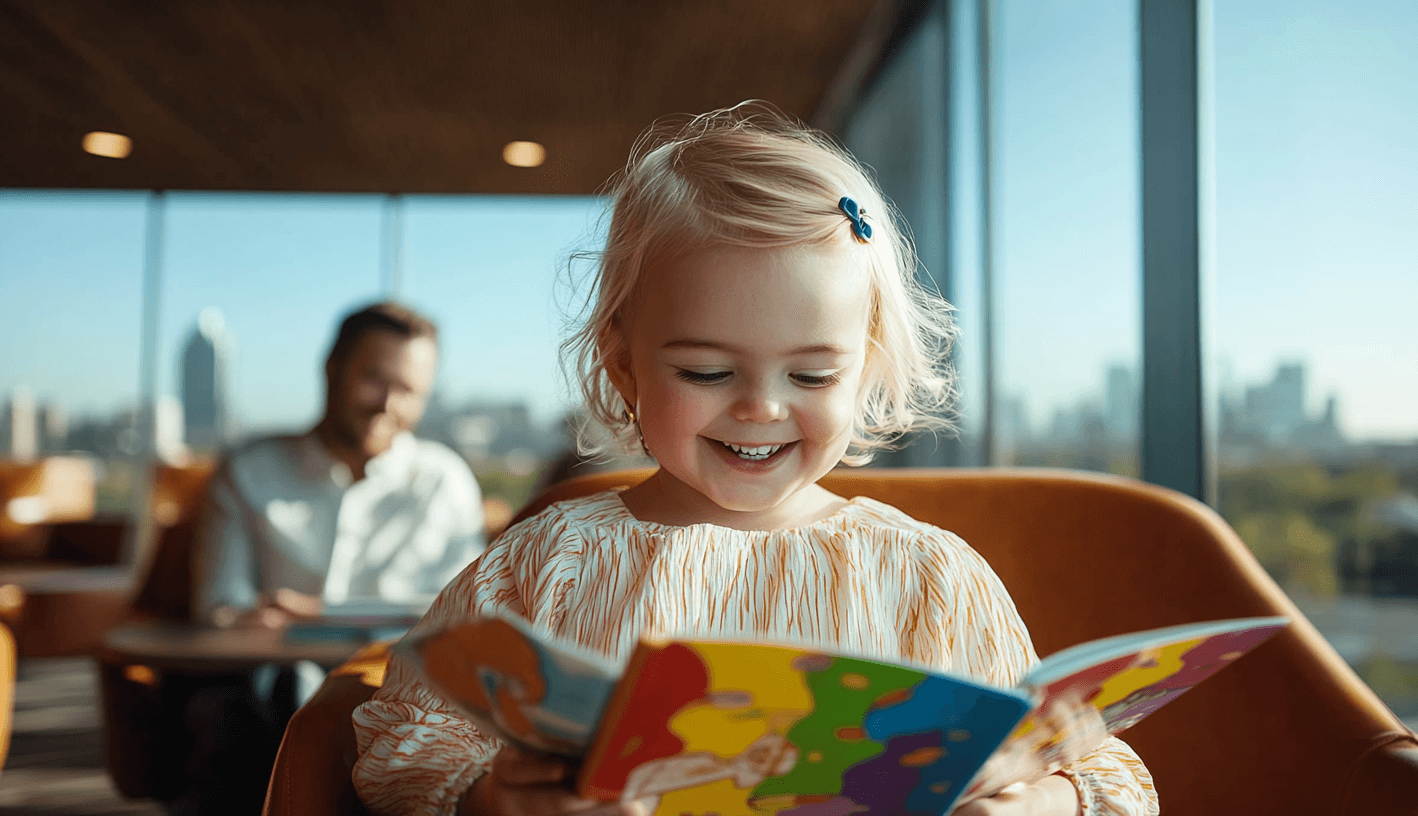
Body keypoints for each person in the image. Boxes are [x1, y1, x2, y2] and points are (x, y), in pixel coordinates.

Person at [352, 105, 1159, 816]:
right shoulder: (549, 558)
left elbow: (1105, 771)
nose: (762, 409)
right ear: (625, 364)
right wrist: (490, 798)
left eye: (812, 375)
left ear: (868, 367)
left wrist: (1044, 801)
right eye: (706, 372)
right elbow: (397, 739)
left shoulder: (928, 576)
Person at [176, 301, 486, 816]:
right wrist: (244, 619)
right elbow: (218, 606)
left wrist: (314, 613)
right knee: (230, 715)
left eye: (408, 389)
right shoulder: (250, 471)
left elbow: (465, 618)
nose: (388, 403)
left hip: (402, 691)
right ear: (331, 369)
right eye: (373, 378)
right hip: (262, 686)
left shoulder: (445, 483)